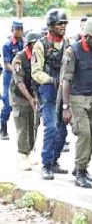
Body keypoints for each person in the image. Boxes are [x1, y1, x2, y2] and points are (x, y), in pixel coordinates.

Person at [61, 18, 92, 188]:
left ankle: (82, 166)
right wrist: (66, 107)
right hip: (77, 98)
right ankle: (80, 171)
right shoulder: (72, 51)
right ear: (85, 36)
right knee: (84, 134)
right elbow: (65, 80)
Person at [31, 8, 69, 180]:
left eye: (64, 23)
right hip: (48, 90)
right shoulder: (41, 45)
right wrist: (52, 80)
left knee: (63, 131)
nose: (63, 26)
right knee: (51, 127)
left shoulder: (68, 43)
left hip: (65, 90)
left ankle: (54, 160)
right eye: (60, 23)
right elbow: (36, 72)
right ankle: (46, 164)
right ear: (51, 25)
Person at [10, 31, 42, 171]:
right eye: (34, 43)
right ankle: (22, 155)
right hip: (20, 96)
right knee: (22, 124)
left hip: (34, 94)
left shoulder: (40, 56)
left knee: (34, 123)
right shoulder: (19, 58)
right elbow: (19, 82)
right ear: (29, 45)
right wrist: (30, 98)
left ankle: (29, 151)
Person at [1, 19, 24, 140]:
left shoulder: (24, 43)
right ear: (12, 30)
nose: (19, 31)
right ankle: (3, 129)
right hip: (9, 77)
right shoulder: (7, 45)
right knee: (7, 103)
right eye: (17, 29)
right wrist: (17, 70)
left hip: (21, 77)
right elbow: (7, 64)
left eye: (21, 29)